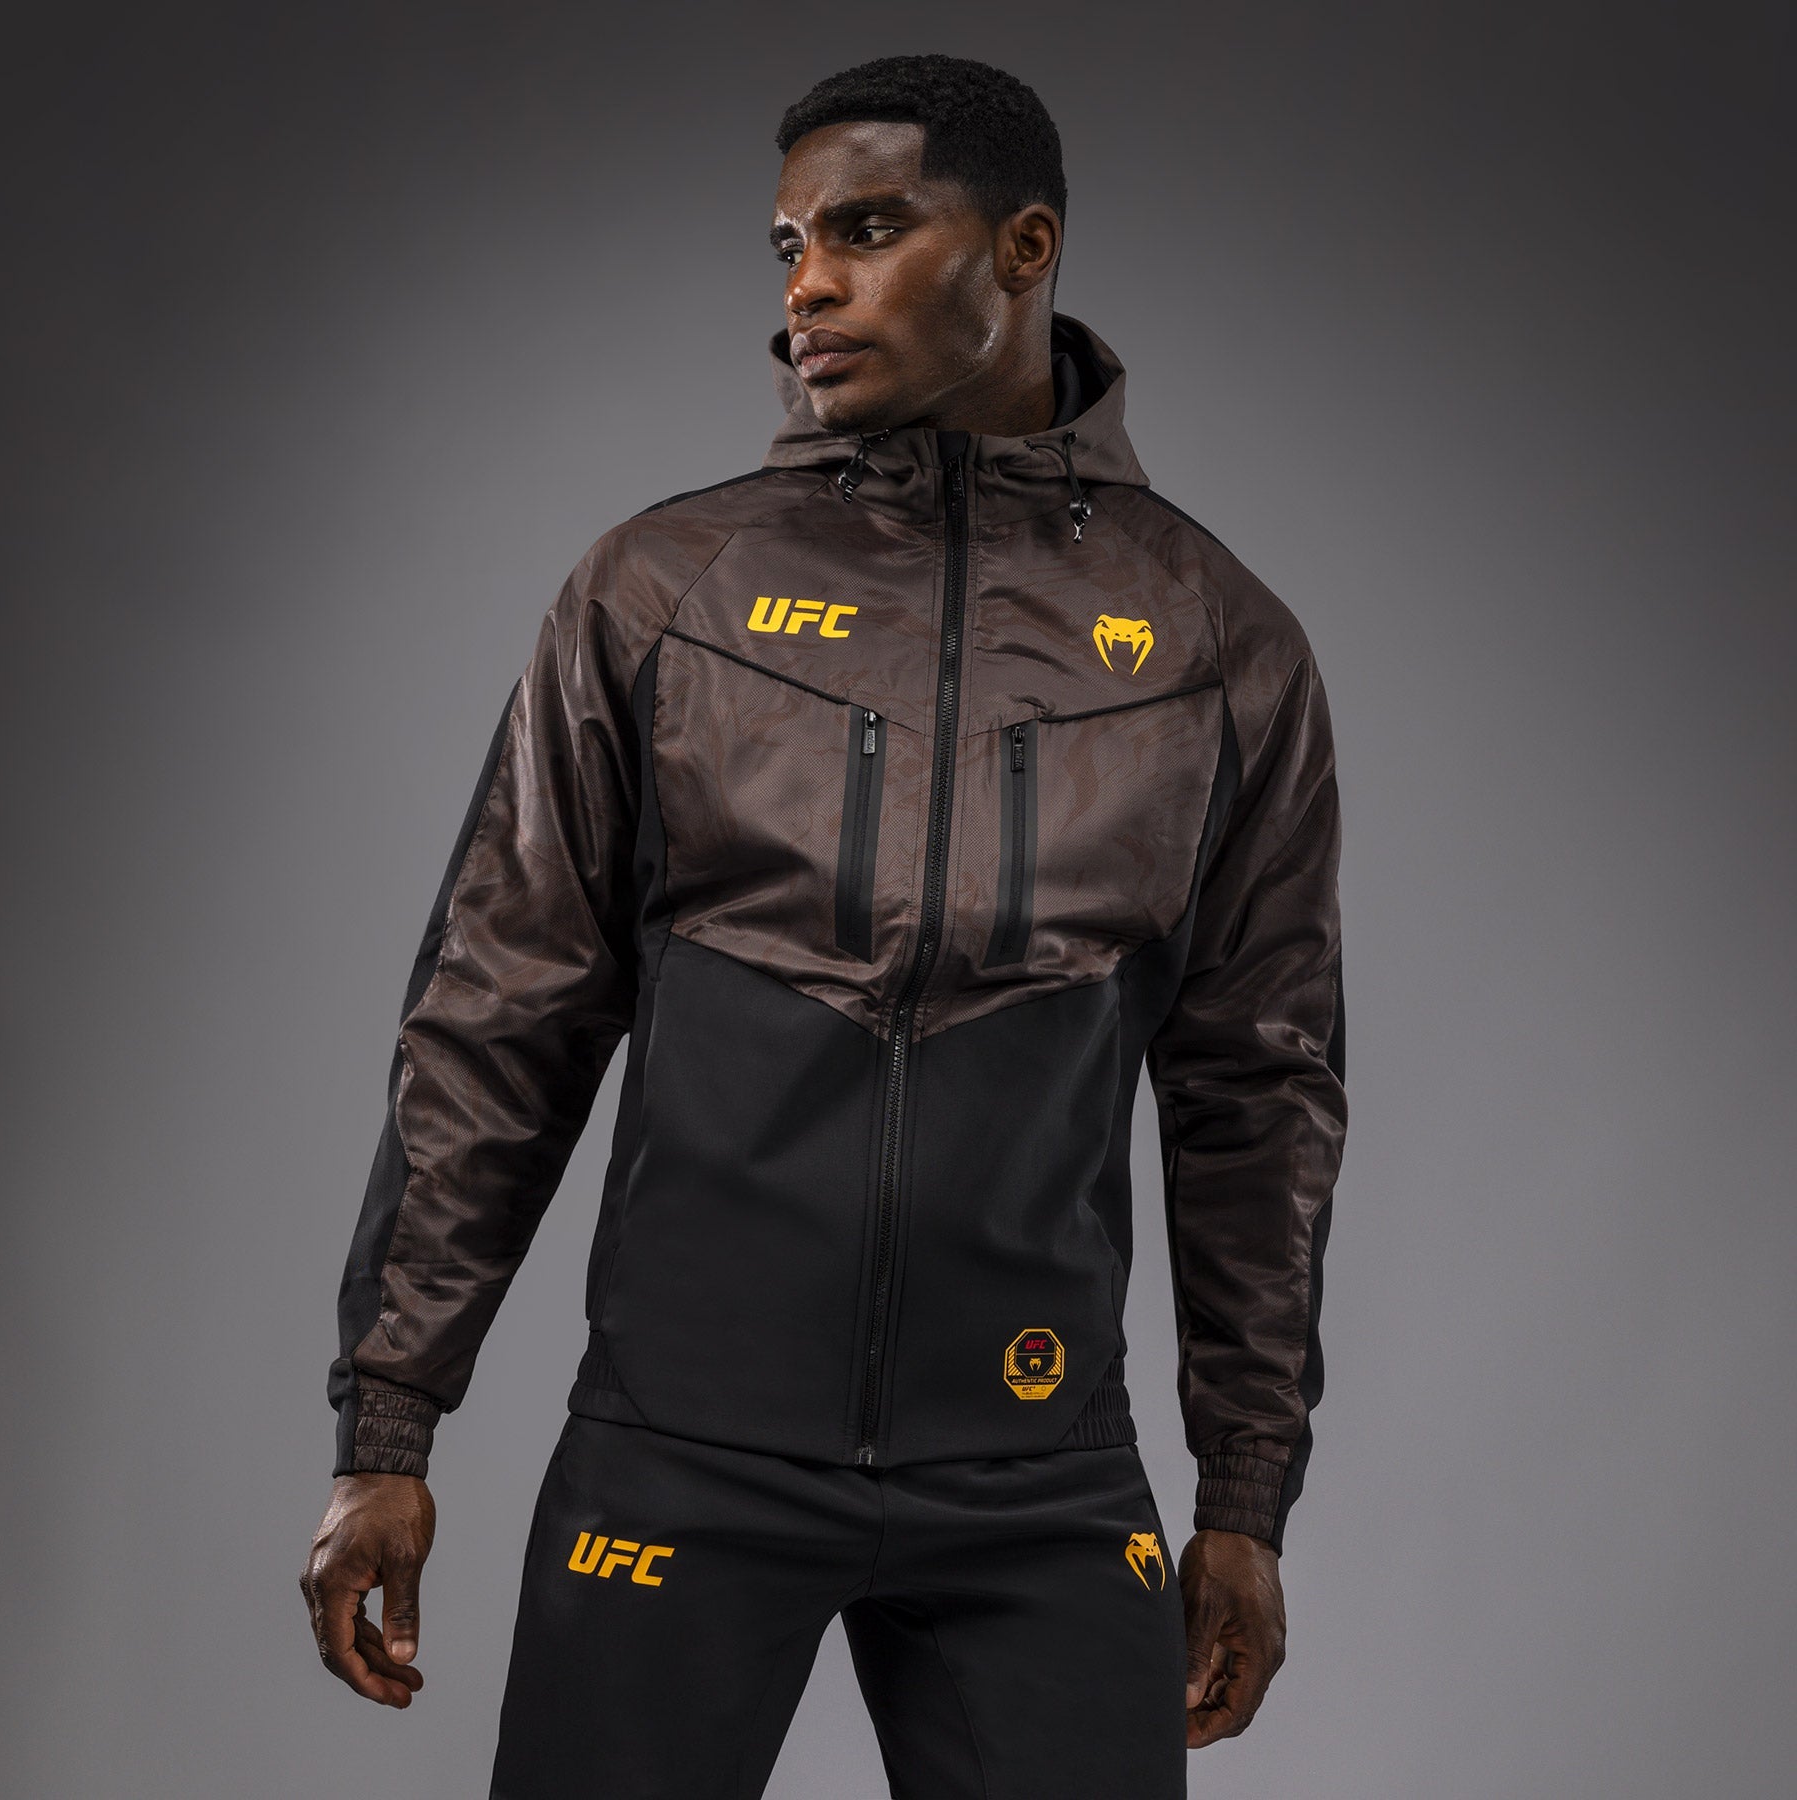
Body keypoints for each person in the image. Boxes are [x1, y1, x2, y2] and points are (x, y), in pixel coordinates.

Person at [300, 51, 1347, 1799]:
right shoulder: (661, 593)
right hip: (680, 1454)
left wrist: (1244, 1495)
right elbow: (497, 1016)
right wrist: (386, 1429)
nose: (807, 285)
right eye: (789, 244)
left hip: (1038, 1474)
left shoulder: (1217, 641)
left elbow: (1262, 1091)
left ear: (1024, 249)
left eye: (865, 230)